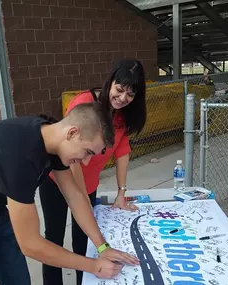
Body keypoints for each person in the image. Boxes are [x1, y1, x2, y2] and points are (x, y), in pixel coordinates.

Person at [0, 102, 139, 285]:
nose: (85, 162)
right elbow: (30, 244)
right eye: (86, 152)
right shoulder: (20, 155)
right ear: (72, 133)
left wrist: (102, 246)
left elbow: (75, 197)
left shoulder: (51, 138)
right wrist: (94, 266)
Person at [39, 59, 147, 285]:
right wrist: (79, 198)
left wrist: (121, 192)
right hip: (59, 180)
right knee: (54, 239)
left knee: (84, 242)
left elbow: (123, 152)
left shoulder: (124, 114)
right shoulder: (85, 102)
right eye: (119, 89)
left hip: (89, 186)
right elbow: (74, 157)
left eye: (130, 94)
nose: (122, 98)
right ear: (111, 81)